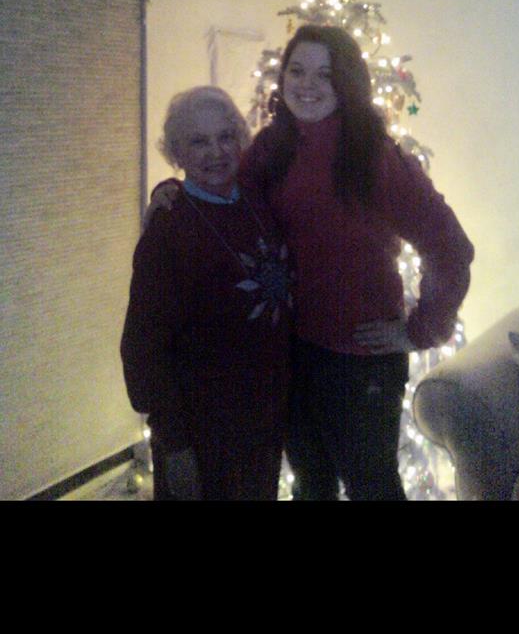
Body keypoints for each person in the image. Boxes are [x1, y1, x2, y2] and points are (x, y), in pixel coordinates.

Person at [148, 25, 475, 502]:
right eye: (297, 71)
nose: (307, 84)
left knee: (372, 487)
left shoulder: (376, 158)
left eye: (325, 74)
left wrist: (422, 329)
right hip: (291, 352)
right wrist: (174, 190)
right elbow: (221, 186)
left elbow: (451, 247)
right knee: (311, 483)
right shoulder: (271, 145)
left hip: (359, 363)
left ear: (347, 81)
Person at [120, 86, 292, 501]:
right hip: (201, 431)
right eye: (198, 141)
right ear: (176, 153)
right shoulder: (169, 227)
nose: (215, 152)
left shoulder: (258, 201)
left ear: (240, 140)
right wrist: (174, 444)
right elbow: (143, 346)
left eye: (225, 137)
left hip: (263, 422)